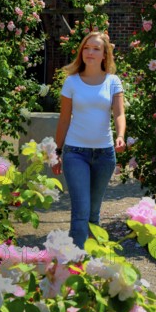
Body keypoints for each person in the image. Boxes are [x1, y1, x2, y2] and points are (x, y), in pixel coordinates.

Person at [52, 31, 126, 248]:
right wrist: (56, 152)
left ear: (105, 55)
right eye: (86, 48)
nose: (90, 52)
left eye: (95, 49)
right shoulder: (72, 82)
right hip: (76, 153)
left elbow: (119, 114)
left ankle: (93, 265)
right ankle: (75, 265)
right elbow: (64, 120)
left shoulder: (113, 82)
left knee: (94, 213)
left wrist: (120, 136)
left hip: (105, 155)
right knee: (81, 212)